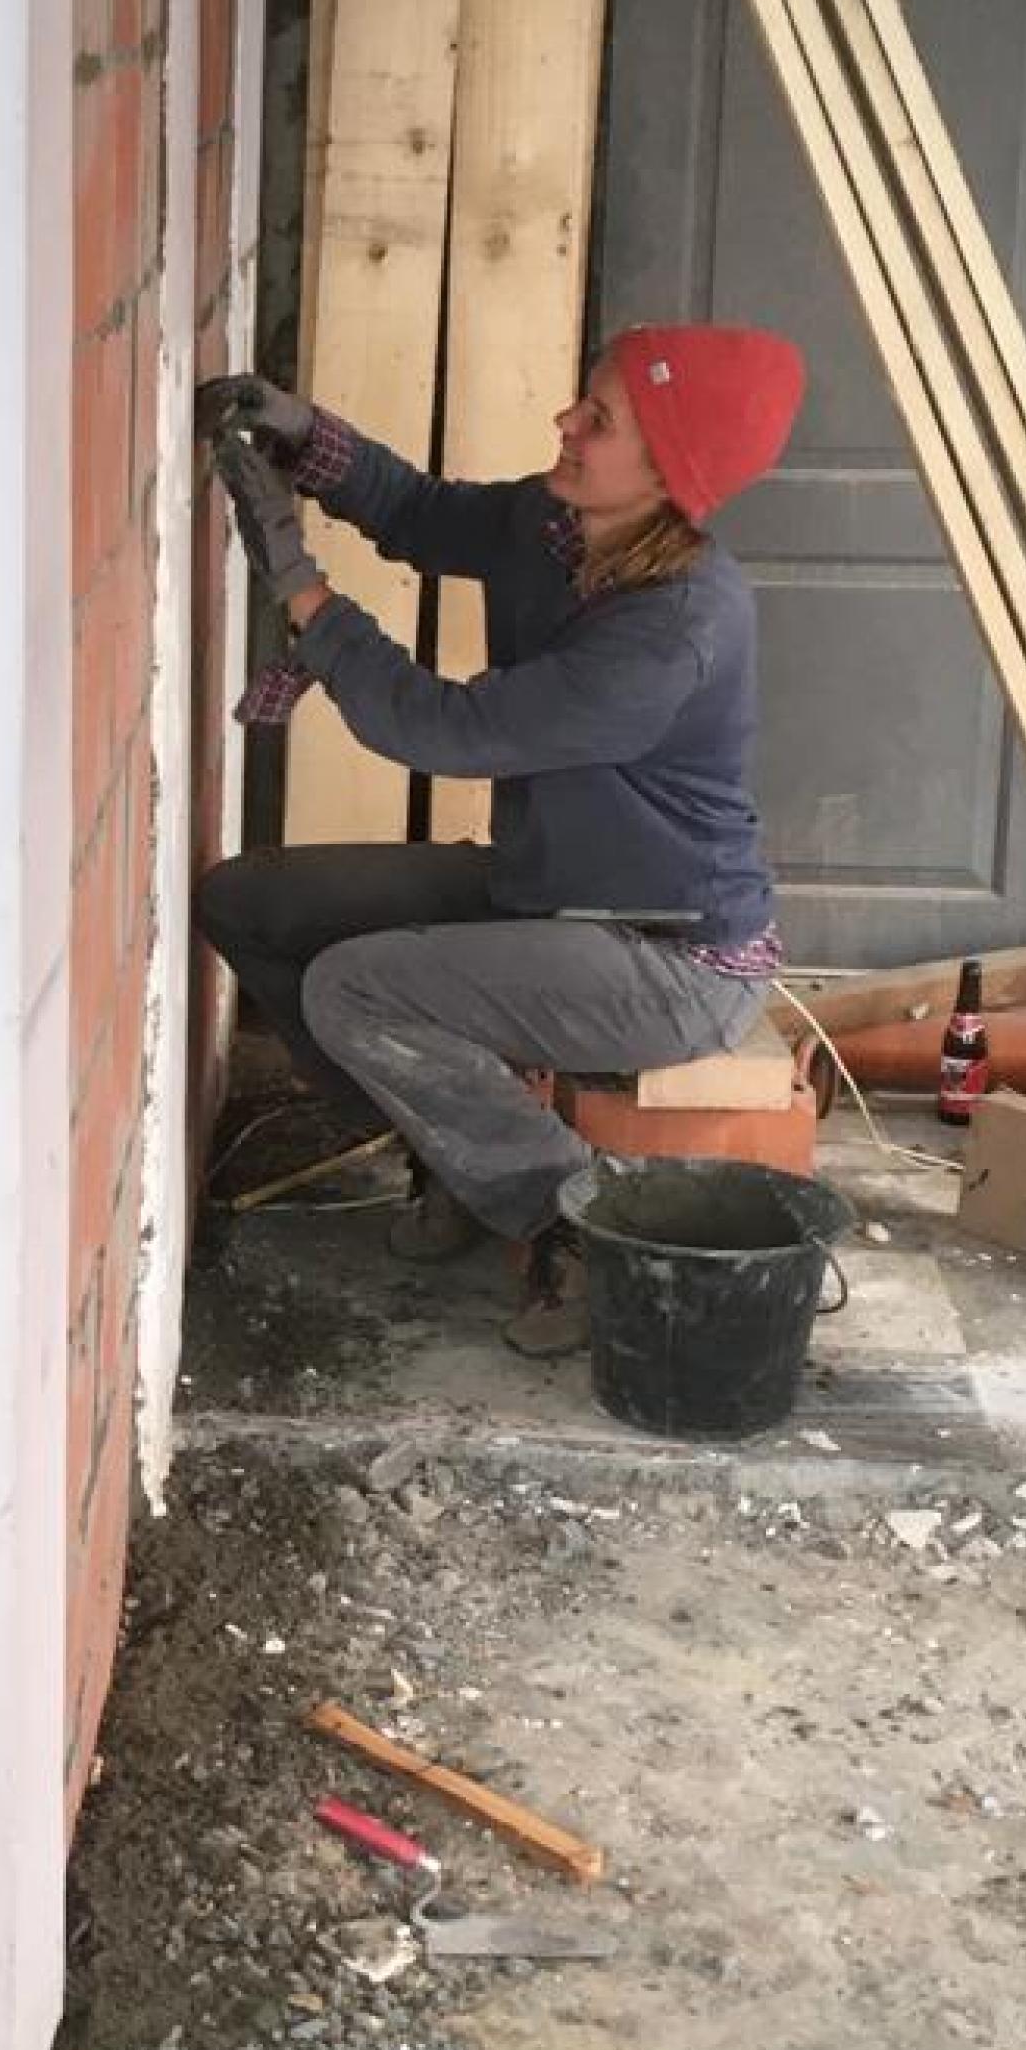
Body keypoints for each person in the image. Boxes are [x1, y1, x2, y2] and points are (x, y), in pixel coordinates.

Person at [196, 325, 804, 1356]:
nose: (566, 421)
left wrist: (303, 590)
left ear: (669, 472)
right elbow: (426, 514)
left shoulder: (673, 626)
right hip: (552, 887)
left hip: (669, 958)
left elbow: (447, 730)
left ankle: (576, 1226)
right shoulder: (563, 526)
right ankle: (453, 1152)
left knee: (356, 989)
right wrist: (304, 434)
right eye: (582, 399)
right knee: (249, 906)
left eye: (598, 419)